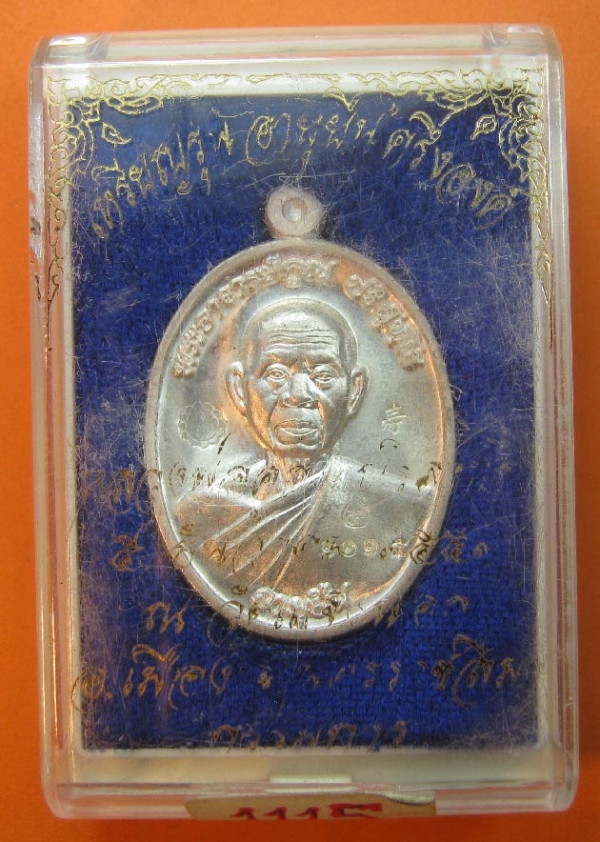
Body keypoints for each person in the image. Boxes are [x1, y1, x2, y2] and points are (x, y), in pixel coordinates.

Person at [175, 297, 429, 613]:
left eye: (323, 376)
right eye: (276, 373)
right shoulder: (199, 517)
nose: (299, 395)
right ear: (240, 390)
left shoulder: (405, 511)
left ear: (354, 391)